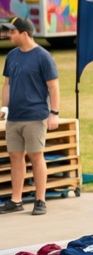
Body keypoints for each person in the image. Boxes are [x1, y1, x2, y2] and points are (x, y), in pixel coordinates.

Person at [0, 17, 60, 215]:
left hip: (35, 116)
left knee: (36, 156)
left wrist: (54, 113)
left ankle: (40, 200)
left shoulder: (43, 57)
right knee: (15, 157)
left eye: (12, 32)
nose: (9, 35)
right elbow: (7, 84)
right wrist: (4, 108)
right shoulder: (11, 56)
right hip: (14, 118)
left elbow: (53, 87)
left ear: (24, 33)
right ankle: (16, 200)